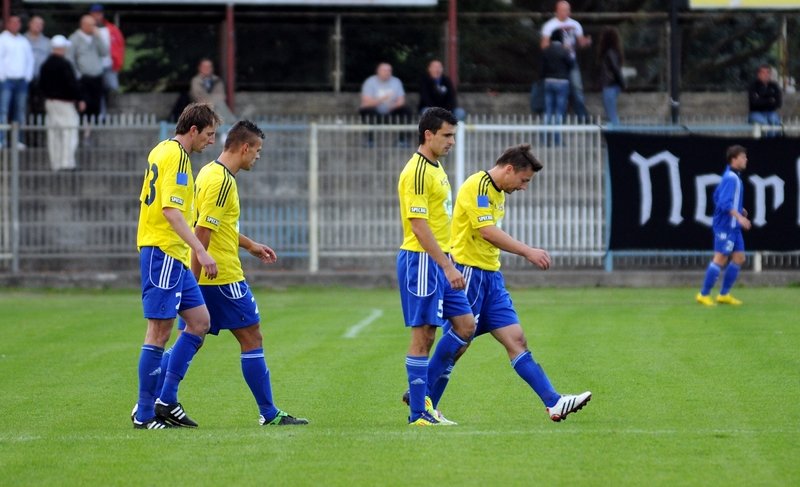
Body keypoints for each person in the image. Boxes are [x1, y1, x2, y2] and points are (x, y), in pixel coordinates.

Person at [404, 144, 592, 422]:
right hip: (471, 273)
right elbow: (487, 231)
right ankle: (422, 396)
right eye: (524, 180)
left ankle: (553, 402)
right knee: (458, 342)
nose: (524, 187)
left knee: (517, 340)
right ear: (509, 169)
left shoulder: (497, 192)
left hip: (492, 278)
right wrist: (528, 250)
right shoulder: (478, 186)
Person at [157, 121, 308, 426]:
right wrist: (193, 284)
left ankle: (159, 398)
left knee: (192, 334)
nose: (258, 157)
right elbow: (202, 232)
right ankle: (269, 413)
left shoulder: (209, 173)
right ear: (244, 148)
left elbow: (218, 226)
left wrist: (250, 245)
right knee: (251, 336)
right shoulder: (223, 181)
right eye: (257, 151)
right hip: (221, 275)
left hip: (209, 272)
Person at [132, 102, 221, 429]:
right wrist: (202, 250)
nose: (211, 142)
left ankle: (165, 399)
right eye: (209, 135)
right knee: (159, 331)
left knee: (199, 322)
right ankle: (144, 413)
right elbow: (170, 211)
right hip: (163, 252)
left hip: (173, 256)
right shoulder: (178, 159)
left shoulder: (162, 150)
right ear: (193, 129)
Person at [396, 107, 476, 426]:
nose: (452, 141)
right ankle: (419, 413)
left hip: (442, 260)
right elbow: (418, 225)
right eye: (447, 135)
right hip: (423, 261)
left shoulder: (436, 167)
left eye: (453, 135)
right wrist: (446, 265)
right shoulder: (416, 172)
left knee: (466, 327)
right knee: (424, 335)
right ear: (428, 135)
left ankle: (423, 399)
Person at [696, 145, 751, 307]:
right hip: (726, 225)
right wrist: (739, 216)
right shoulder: (731, 178)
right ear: (734, 159)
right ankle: (703, 294)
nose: (746, 159)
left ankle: (724, 294)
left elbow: (716, 196)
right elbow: (724, 202)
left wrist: (739, 210)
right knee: (720, 257)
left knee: (739, 258)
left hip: (734, 226)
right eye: (743, 157)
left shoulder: (732, 176)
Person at [39, 34, 85, 171]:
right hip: (65, 103)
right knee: (69, 131)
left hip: (50, 102)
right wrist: (80, 98)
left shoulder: (45, 65)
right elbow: (71, 84)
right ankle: (67, 163)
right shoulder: (65, 65)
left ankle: (56, 163)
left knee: (54, 133)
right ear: (62, 48)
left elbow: (41, 85)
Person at [540, 1, 591, 118]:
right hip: (557, 64)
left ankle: (582, 117)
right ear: (557, 11)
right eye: (563, 10)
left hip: (571, 61)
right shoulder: (550, 26)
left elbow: (580, 43)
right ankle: (558, 119)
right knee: (558, 93)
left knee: (577, 88)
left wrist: (585, 42)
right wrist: (560, 48)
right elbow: (544, 46)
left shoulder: (575, 25)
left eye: (568, 10)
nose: (566, 13)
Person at [0, 14, 34, 149]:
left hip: (21, 81)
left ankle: (17, 140)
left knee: (19, 111)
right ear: (7, 24)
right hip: (6, 81)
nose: (15, 25)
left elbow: (30, 60)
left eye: (17, 23)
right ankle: (1, 139)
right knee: (3, 110)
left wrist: (27, 77)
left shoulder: (23, 41)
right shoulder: (2, 39)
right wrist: (2, 77)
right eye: (12, 22)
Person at [67, 15, 108, 119]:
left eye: (94, 25)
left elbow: (105, 52)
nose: (93, 27)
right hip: (83, 78)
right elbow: (70, 58)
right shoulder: (74, 38)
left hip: (97, 77)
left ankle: (93, 129)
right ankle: (85, 130)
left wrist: (99, 37)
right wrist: (77, 74)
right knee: (84, 106)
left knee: (96, 105)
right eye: (90, 25)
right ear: (83, 25)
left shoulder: (96, 37)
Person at [88, 4, 125, 114]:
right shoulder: (87, 29)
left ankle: (111, 112)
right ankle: (101, 115)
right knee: (97, 91)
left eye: (99, 14)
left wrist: (117, 62)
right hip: (94, 66)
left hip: (109, 64)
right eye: (94, 14)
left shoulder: (111, 29)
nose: (97, 16)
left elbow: (119, 46)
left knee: (112, 88)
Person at [359, 62, 412, 132]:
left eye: (389, 70)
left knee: (406, 110)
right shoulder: (370, 82)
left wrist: (393, 106)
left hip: (392, 110)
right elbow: (366, 103)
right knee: (367, 111)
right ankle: (370, 140)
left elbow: (401, 101)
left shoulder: (396, 81)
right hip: (375, 111)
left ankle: (402, 140)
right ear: (378, 71)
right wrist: (382, 99)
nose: (387, 72)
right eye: (384, 70)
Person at [541, 28, 572, 145]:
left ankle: (545, 140)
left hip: (549, 81)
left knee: (548, 111)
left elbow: (542, 67)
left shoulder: (546, 50)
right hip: (562, 81)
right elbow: (571, 64)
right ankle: (557, 140)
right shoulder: (564, 51)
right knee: (559, 112)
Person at [189, 58, 236, 124]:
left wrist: (210, 100)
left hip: (216, 107)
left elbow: (222, 96)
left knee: (219, 106)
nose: (207, 68)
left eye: (209, 67)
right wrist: (213, 100)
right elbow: (198, 97)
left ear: (212, 68)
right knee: (218, 105)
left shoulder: (217, 80)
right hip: (200, 109)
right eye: (204, 67)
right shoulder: (195, 81)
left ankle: (225, 127)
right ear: (199, 68)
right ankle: (231, 124)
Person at [598, 27, 625, 125]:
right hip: (612, 85)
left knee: (611, 115)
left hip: (610, 85)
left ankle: (618, 137)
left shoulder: (609, 53)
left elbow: (615, 69)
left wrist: (622, 83)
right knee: (610, 115)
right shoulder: (613, 52)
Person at [24, 15, 50, 116]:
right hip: (26, 78)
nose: (38, 26)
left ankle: (39, 131)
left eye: (41, 24)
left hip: (42, 79)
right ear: (29, 24)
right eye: (36, 23)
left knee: (41, 105)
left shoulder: (47, 42)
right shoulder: (22, 40)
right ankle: (26, 131)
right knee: (25, 105)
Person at [747, 64, 781, 130]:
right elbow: (754, 103)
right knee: (765, 124)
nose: (766, 75)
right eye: (763, 72)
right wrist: (770, 100)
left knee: (776, 123)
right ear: (758, 74)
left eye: (768, 72)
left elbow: (778, 103)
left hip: (770, 112)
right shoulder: (753, 86)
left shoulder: (774, 86)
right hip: (755, 113)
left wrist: (761, 98)